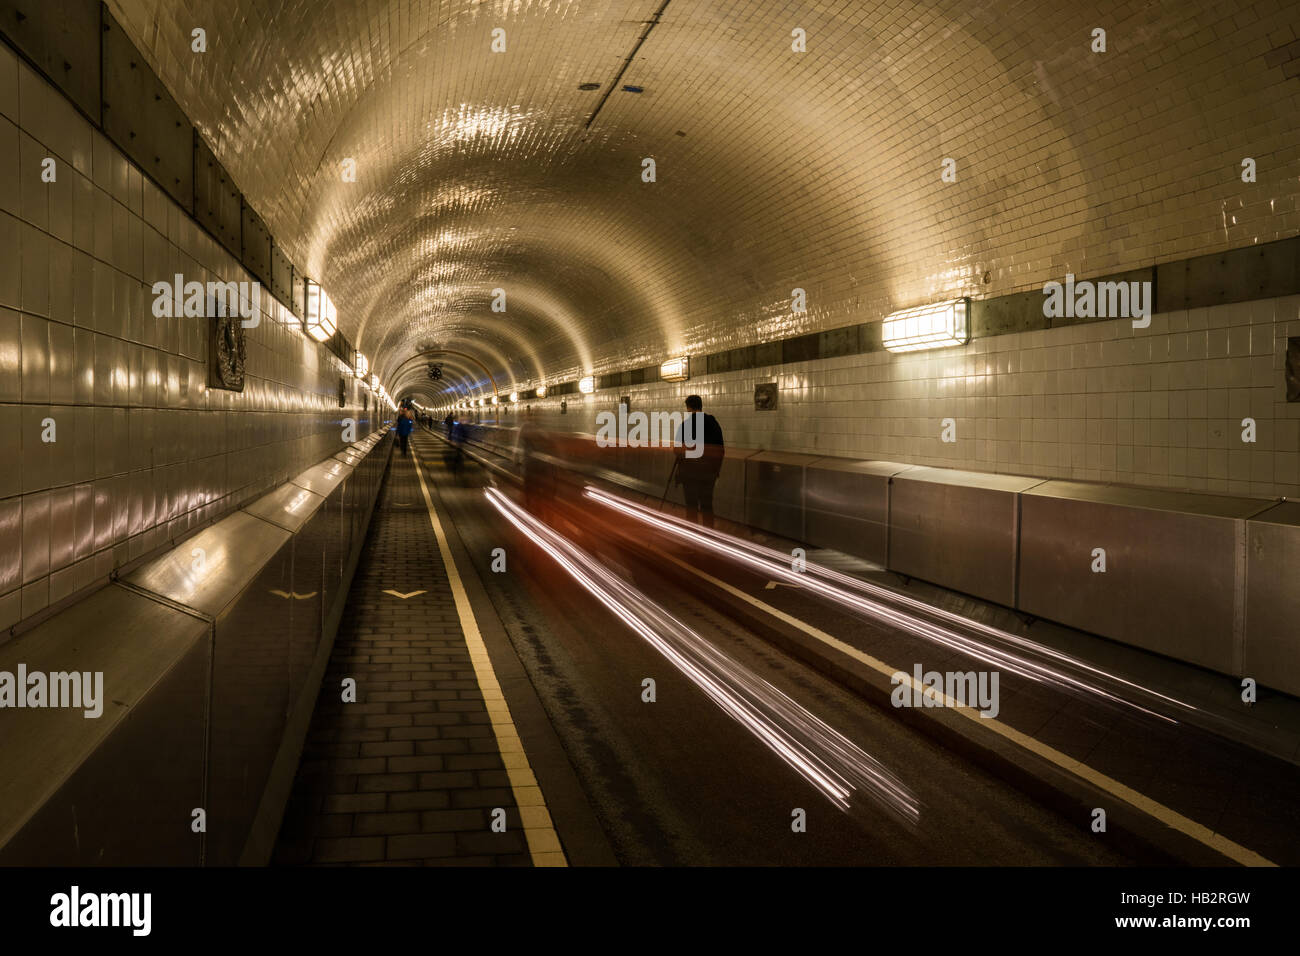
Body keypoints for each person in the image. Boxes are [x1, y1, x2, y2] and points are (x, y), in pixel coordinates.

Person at [674, 395, 724, 527]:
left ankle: (693, 536)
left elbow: (677, 450)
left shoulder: (685, 426)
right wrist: (716, 471)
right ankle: (709, 535)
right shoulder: (713, 423)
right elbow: (720, 449)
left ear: (688, 408)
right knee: (707, 505)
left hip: (689, 473)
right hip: (708, 474)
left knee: (691, 506)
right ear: (701, 406)